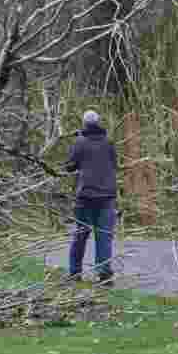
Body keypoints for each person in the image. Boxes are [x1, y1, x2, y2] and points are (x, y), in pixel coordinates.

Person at [66, 110, 118, 285]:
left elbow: (69, 166)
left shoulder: (79, 142)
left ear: (84, 124)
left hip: (85, 197)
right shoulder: (109, 142)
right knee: (104, 236)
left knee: (81, 235)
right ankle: (103, 274)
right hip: (107, 196)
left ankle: (75, 273)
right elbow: (114, 165)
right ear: (99, 123)